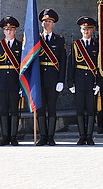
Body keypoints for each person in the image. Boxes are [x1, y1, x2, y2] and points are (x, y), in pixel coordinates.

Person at [67, 17, 100, 145]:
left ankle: (90, 135)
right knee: (80, 110)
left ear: (92, 30)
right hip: (79, 81)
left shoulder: (96, 45)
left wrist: (99, 83)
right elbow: (71, 65)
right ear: (80, 30)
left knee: (91, 110)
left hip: (92, 82)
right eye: (84, 29)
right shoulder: (75, 45)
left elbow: (100, 66)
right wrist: (70, 83)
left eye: (88, 29)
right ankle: (82, 136)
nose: (86, 31)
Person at [37, 9, 67, 146]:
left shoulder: (59, 40)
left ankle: (50, 136)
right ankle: (42, 136)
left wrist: (61, 80)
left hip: (53, 79)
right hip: (39, 79)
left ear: (53, 24)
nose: (46, 23)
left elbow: (63, 61)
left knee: (52, 108)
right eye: (44, 21)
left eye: (49, 21)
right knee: (40, 109)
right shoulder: (36, 39)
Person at [0, 16, 21, 146]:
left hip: (14, 82)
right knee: (3, 110)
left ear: (15, 31)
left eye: (11, 29)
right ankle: (4, 136)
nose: (9, 31)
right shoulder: (0, 45)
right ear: (3, 31)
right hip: (1, 82)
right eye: (6, 29)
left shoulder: (20, 46)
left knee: (14, 110)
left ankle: (13, 136)